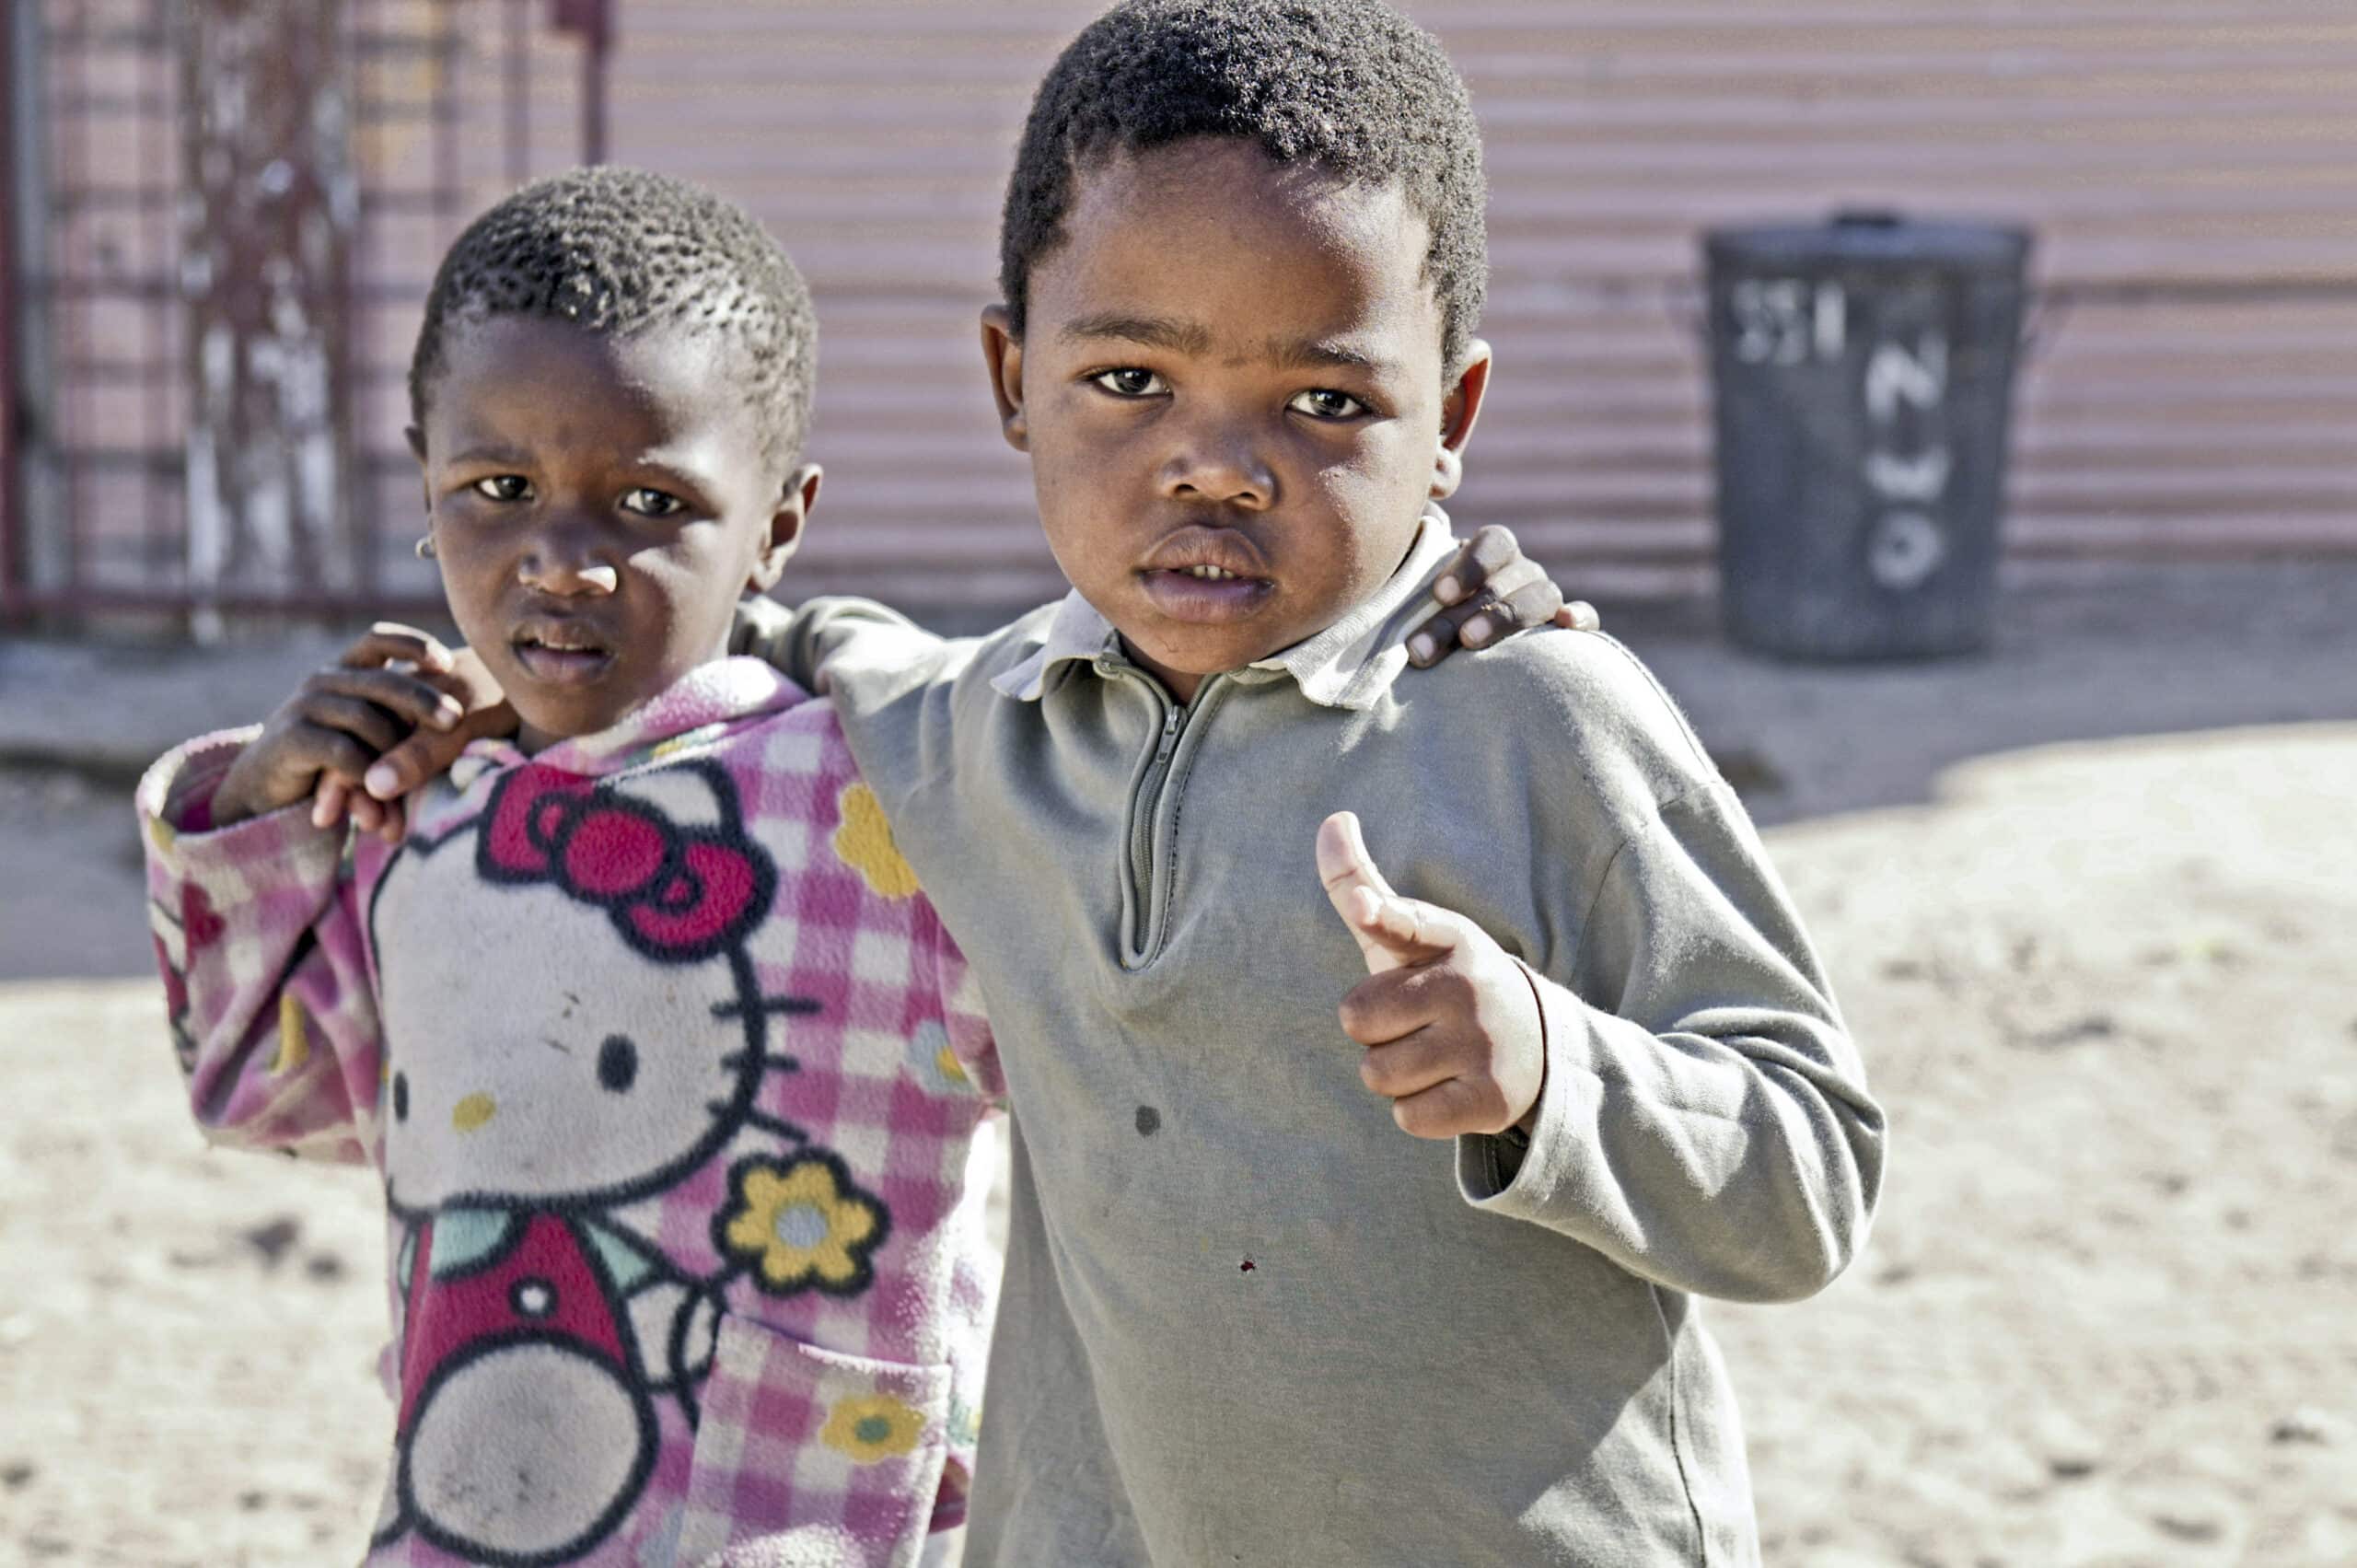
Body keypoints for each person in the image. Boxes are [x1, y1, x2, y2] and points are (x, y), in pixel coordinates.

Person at [726, 4, 1882, 1561]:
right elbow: (798, 639)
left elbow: (1809, 1174)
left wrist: (1550, 1067)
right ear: (1013, 378)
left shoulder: (1535, 716)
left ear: (1451, 418)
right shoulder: (977, 729)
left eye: (1326, 402)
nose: (1218, 465)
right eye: (1129, 379)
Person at [136, 166, 1005, 1567]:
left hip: (798, 1520)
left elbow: (1111, 1048)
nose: (562, 558)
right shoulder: (419, 806)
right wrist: (261, 805)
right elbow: (272, 1092)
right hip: (481, 1506)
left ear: (779, 522)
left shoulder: (884, 801)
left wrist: (884, 677)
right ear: (423, 476)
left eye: (649, 502)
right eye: (497, 488)